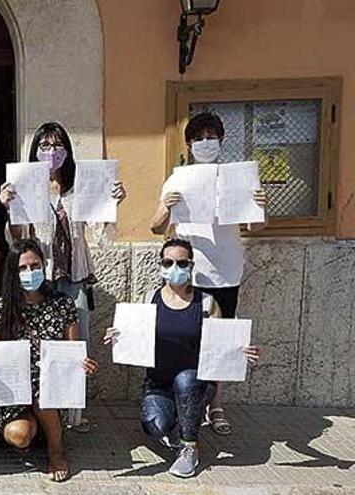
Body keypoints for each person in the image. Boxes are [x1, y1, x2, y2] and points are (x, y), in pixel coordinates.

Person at [0, 121, 125, 431]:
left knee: (74, 345)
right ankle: (41, 410)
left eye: (57, 146)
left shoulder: (79, 188)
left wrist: (113, 202)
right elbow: (17, 240)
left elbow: (100, 229)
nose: (51, 152)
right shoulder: (26, 189)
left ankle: (73, 413)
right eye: (44, 146)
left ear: (67, 151)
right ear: (35, 152)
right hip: (39, 279)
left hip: (74, 277)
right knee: (40, 343)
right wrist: (9, 208)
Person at [149, 112, 267, 436]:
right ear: (188, 143)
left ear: (221, 140)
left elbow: (255, 225)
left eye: (211, 136)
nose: (205, 142)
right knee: (189, 341)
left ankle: (216, 405)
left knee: (221, 342)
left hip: (226, 272)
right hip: (187, 273)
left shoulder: (236, 178)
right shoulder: (179, 179)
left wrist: (259, 204)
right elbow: (157, 226)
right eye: (198, 137)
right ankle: (190, 399)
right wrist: (166, 205)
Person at [103, 238, 260, 477]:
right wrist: (117, 335)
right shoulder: (149, 300)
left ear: (191, 266)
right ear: (161, 265)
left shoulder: (206, 303)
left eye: (181, 262)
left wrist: (241, 352)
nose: (174, 268)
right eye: (168, 262)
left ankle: (189, 447)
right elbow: (135, 336)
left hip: (195, 382)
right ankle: (185, 418)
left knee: (186, 381)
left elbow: (222, 343)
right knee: (155, 427)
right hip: (158, 384)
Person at [0, 239, 98, 483]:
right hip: (11, 393)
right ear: (13, 273)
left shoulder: (62, 304)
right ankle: (42, 429)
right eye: (22, 268)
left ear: (44, 266)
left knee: (42, 394)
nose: (30, 272)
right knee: (19, 436)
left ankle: (56, 450)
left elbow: (72, 351)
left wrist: (84, 365)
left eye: (35, 265)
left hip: (50, 389)